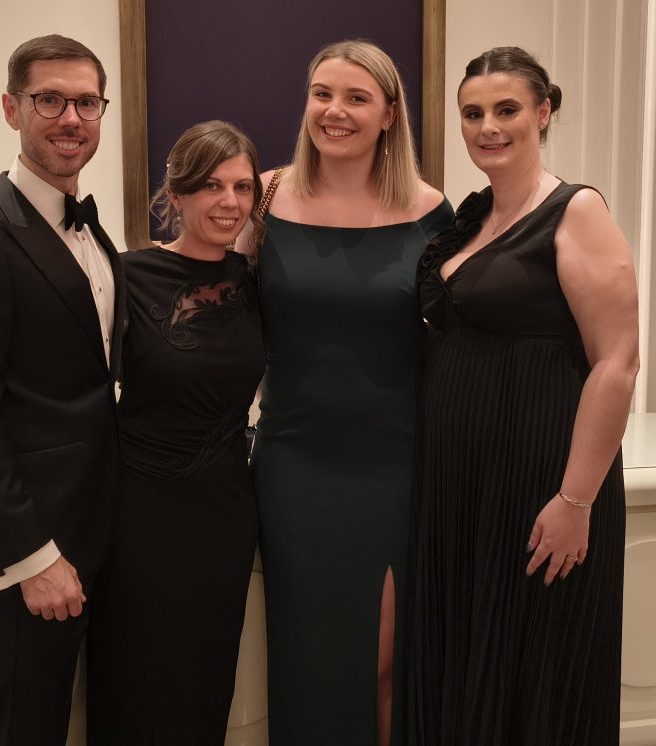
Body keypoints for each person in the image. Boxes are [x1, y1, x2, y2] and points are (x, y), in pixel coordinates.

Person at [409, 46, 639, 746]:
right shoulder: (472, 217)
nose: (488, 126)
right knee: (467, 660)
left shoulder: (577, 210)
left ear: (544, 112)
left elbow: (618, 363)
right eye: (473, 113)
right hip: (460, 482)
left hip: (542, 479)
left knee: (536, 671)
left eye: (506, 110)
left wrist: (576, 501)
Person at [237, 39, 453, 746]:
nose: (335, 111)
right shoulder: (263, 197)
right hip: (295, 461)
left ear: (389, 114)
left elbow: (459, 339)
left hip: (395, 461)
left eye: (356, 97)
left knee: (382, 660)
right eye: (322, 93)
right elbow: (210, 312)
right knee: (307, 656)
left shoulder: (430, 212)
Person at [0, 34, 124, 746]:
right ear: (12, 109)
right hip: (31, 543)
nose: (71, 117)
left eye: (87, 102)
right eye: (50, 100)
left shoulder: (96, 236)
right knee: (22, 727)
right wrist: (33, 557)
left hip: (102, 530)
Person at [86, 120, 265, 746]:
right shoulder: (125, 275)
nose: (229, 202)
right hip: (138, 509)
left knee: (203, 678)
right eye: (212, 185)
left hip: (223, 509)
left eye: (243, 187)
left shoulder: (255, 282)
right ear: (178, 193)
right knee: (133, 675)